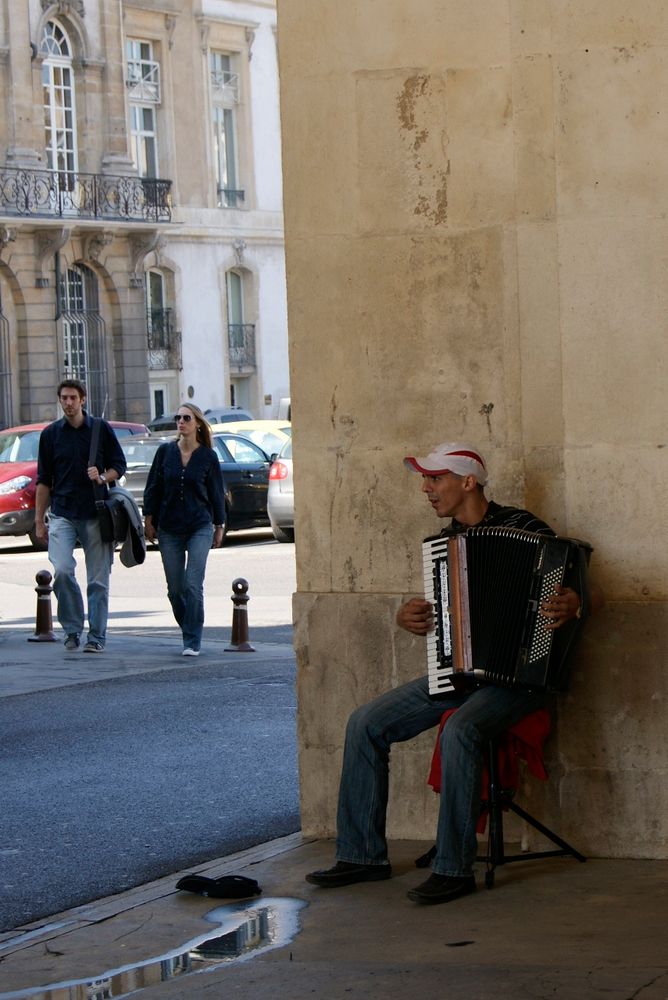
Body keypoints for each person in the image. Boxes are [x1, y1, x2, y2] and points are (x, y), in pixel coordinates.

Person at [306, 441, 604, 905]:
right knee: (365, 723)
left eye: (435, 478)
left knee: (460, 730)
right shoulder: (447, 548)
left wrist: (577, 603)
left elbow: (582, 586)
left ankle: (453, 868)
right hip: (460, 674)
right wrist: (409, 618)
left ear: (468, 481)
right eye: (424, 480)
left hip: (521, 678)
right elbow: (446, 624)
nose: (426, 488)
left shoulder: (525, 528)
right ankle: (362, 856)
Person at [35, 379, 127, 653]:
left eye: (73, 398)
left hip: (95, 513)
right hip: (62, 512)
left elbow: (118, 466)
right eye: (64, 398)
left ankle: (96, 637)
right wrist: (39, 520)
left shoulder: (100, 429)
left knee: (98, 580)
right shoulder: (51, 434)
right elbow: (43, 481)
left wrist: (101, 476)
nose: (68, 403)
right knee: (62, 571)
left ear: (83, 399)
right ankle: (72, 630)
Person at [143, 404, 225, 657]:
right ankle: (188, 626)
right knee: (175, 588)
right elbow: (153, 487)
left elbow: (216, 494)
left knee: (192, 583)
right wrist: (149, 519)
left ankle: (192, 640)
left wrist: (219, 525)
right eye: (177, 418)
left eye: (186, 418)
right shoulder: (165, 451)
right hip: (169, 527)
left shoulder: (208, 457)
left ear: (197, 423)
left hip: (200, 525)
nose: (181, 422)